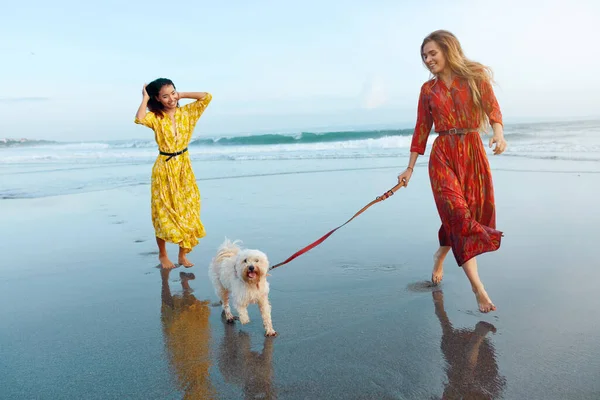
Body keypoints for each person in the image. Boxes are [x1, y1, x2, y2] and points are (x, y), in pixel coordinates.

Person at [397, 30, 507, 312]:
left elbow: (492, 107)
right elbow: (421, 129)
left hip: (472, 153)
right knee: (458, 214)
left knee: (465, 216)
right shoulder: (428, 90)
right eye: (424, 56)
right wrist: (409, 168)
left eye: (432, 53)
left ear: (448, 50)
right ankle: (478, 288)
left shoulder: (475, 76)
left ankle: (441, 255)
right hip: (443, 154)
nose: (428, 59)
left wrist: (498, 134)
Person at [135, 78, 212, 269]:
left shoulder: (187, 112)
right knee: (163, 212)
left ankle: (182, 254)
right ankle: (163, 255)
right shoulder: (156, 118)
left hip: (184, 167)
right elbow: (140, 118)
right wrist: (145, 98)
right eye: (165, 96)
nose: (170, 99)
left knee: (188, 209)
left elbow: (206, 97)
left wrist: (182, 95)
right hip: (164, 168)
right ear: (157, 99)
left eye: (172, 93)